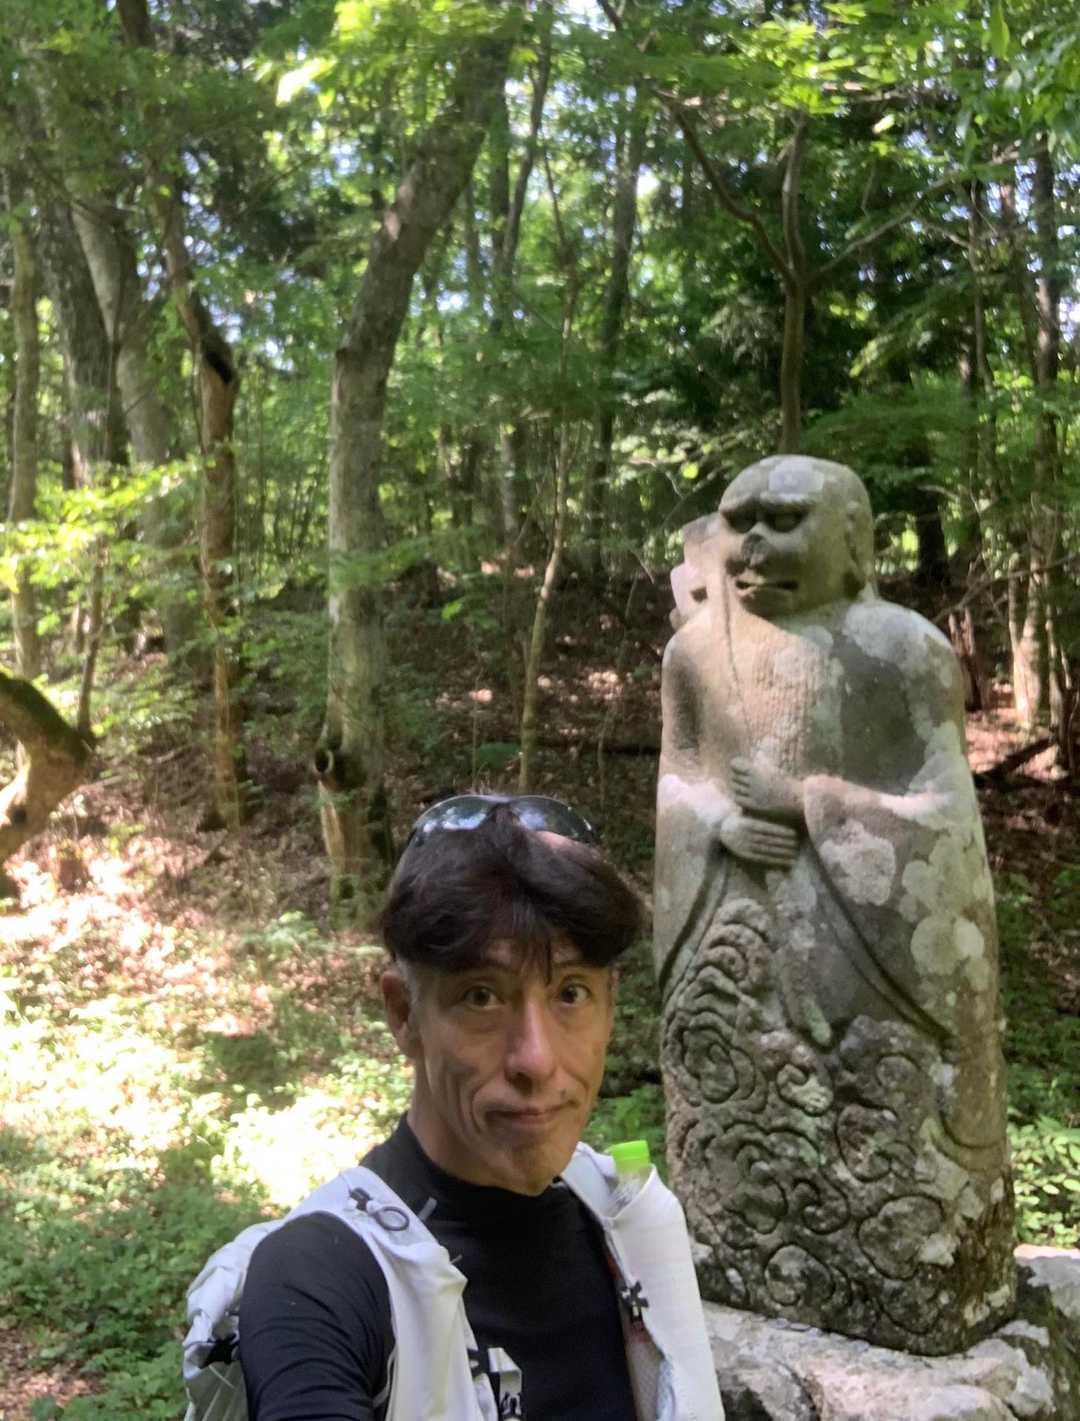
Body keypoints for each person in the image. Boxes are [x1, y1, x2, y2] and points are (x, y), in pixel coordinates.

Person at [186, 794, 723, 1421]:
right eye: (481, 997)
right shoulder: (322, 1276)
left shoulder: (630, 1221)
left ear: (611, 1006)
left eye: (571, 993)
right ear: (403, 1013)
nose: (536, 1059)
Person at [654, 455, 1014, 1352]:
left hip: (867, 964)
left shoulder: (903, 651)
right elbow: (676, 781)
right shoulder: (694, 655)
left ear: (853, 540)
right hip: (737, 951)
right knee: (740, 1130)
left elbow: (947, 817)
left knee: (890, 1147)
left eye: (783, 520)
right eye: (739, 521)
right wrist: (720, 824)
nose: (752, 544)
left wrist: (810, 802)